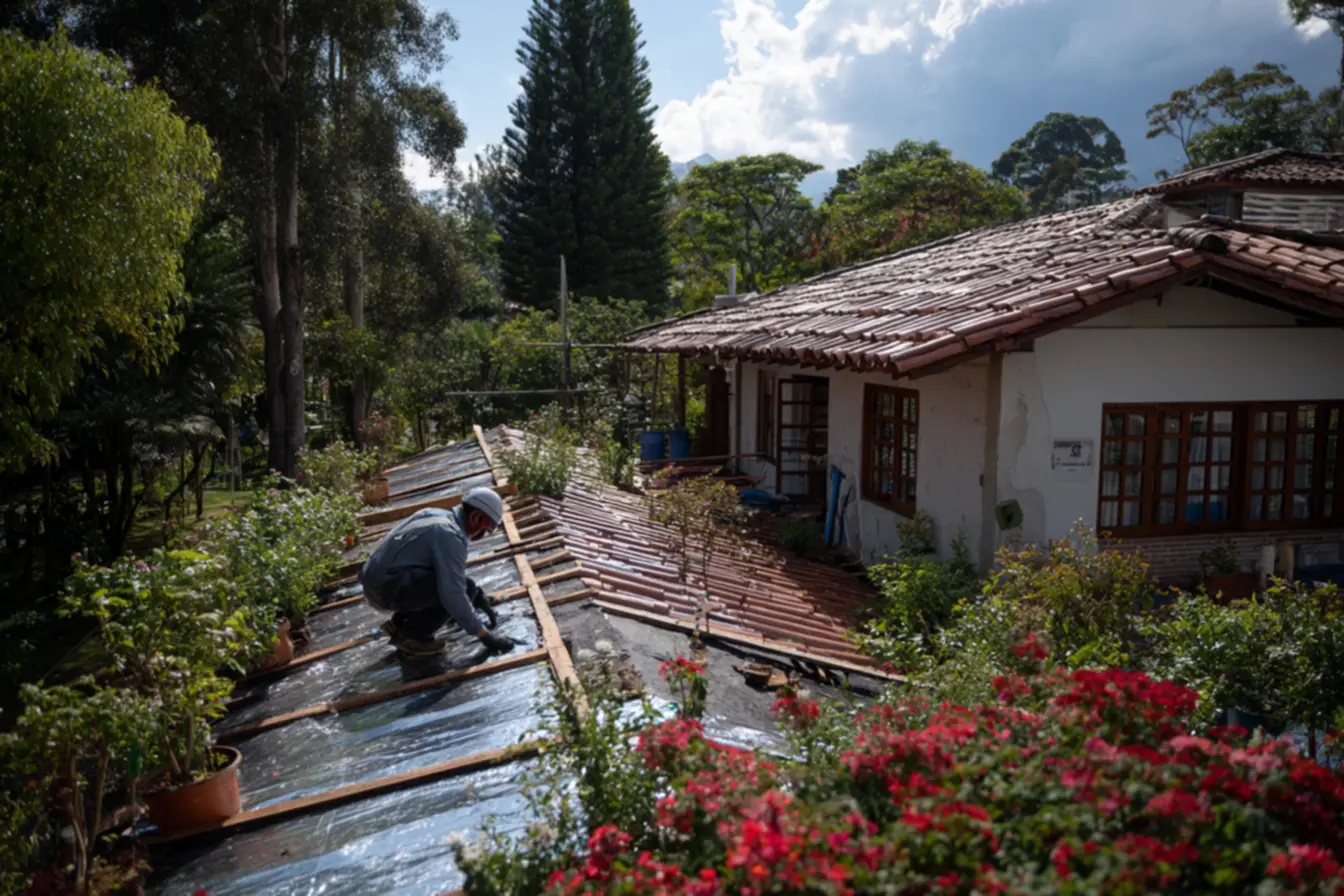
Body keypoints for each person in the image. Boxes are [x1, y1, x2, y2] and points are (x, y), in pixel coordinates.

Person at [359, 487, 517, 656]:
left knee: (466, 588)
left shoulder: (432, 514)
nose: (483, 534)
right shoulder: (450, 535)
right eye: (487, 528)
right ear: (475, 517)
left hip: (375, 581)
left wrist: (476, 596)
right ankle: (411, 636)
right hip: (385, 590)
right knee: (462, 589)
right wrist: (484, 635)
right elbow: (453, 593)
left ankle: (399, 624)